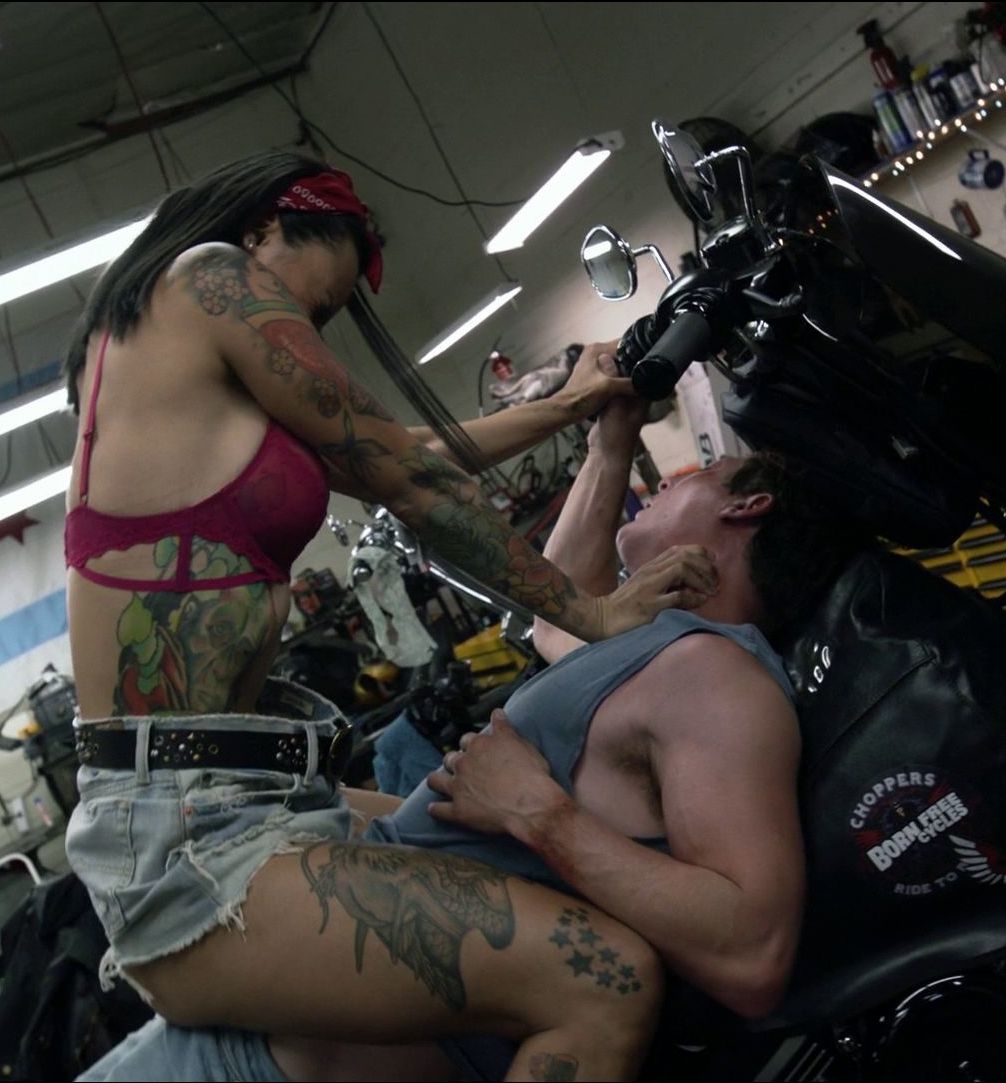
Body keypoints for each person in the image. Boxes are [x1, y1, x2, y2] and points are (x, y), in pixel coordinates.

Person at [60, 149, 722, 1083]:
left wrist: (574, 407)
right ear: (263, 231)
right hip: (191, 837)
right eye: (317, 301)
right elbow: (407, 480)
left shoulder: (182, 360)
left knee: (521, 847)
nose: (308, 329)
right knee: (604, 979)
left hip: (251, 794)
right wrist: (593, 612)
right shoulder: (210, 279)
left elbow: (404, 451)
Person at [82, 380, 867, 1082]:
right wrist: (610, 439)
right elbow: (558, 610)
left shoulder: (716, 678)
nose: (663, 482)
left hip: (272, 1060)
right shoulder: (654, 649)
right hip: (250, 1020)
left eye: (699, 473)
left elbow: (752, 953)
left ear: (746, 507)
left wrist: (540, 814)